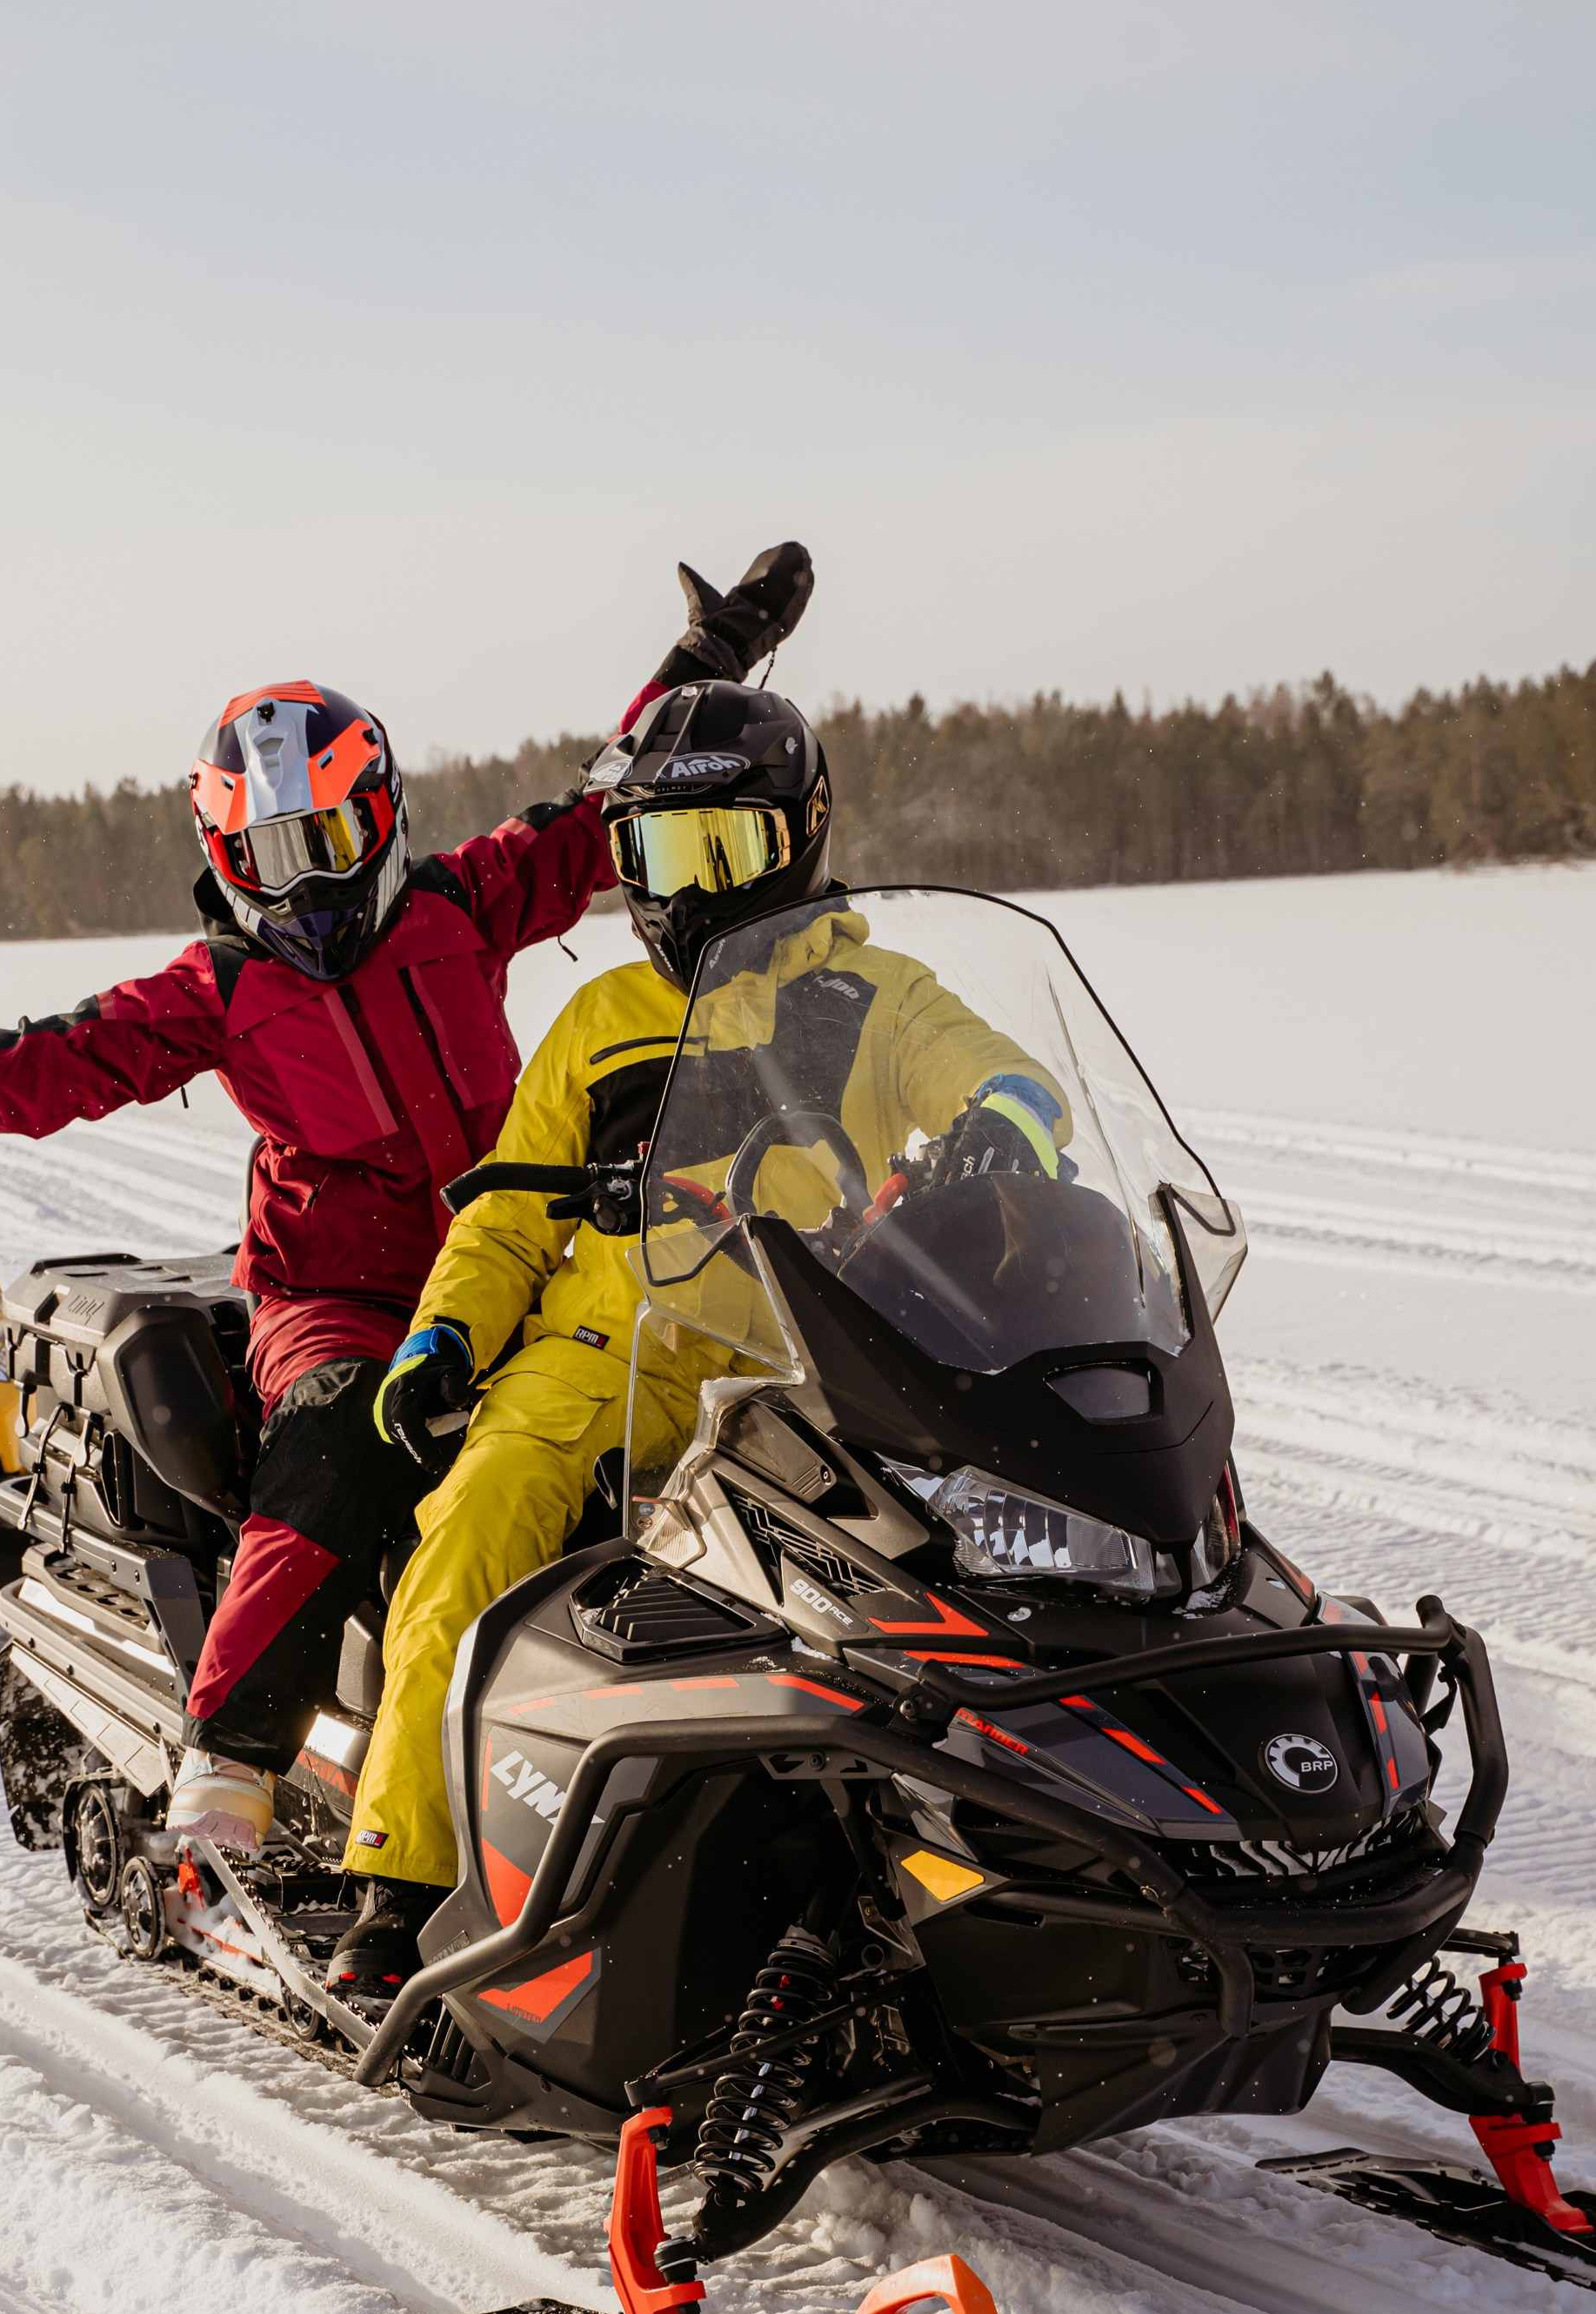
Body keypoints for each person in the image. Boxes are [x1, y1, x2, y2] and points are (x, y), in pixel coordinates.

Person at [0, 547, 814, 1850]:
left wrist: (705, 666)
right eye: (269, 855)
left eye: (333, 840)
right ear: (223, 856)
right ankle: (231, 1752)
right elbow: (36, 1060)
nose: (310, 886)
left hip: (514, 1258)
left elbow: (601, 805)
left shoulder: (460, 904)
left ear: (384, 819)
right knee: (341, 1439)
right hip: (334, 1292)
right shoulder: (219, 992)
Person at [330, 678, 1072, 1999]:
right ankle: (400, 1880)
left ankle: (980, 1859)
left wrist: (1004, 1124)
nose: (683, 891)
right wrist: (442, 1336)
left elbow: (1008, 1074)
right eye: (655, 854)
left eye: (718, 848)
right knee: (475, 1521)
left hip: (807, 1366)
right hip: (599, 1356)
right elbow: (505, 1219)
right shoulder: (600, 1022)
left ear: (798, 837)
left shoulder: (876, 995)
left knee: (946, 1578)